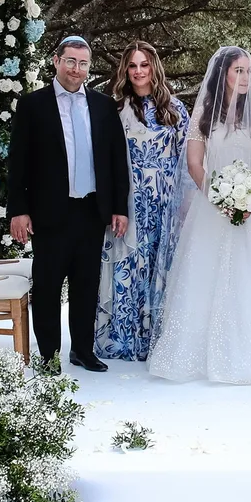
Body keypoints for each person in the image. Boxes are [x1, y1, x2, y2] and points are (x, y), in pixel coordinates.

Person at [147, 47, 251, 384]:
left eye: (248, 71)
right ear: (224, 74)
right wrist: (217, 197)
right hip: (211, 207)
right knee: (205, 274)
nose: (245, 78)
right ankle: (198, 352)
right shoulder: (203, 112)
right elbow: (194, 163)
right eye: (238, 71)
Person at [5, 36, 131, 376]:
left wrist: (119, 207)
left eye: (83, 63)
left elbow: (117, 161)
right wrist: (18, 209)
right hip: (49, 212)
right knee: (46, 286)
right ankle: (48, 354)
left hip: (92, 210)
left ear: (89, 68)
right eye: (70, 61)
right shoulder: (33, 105)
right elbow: (18, 163)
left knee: (86, 285)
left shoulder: (104, 106)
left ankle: (83, 351)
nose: (77, 69)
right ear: (56, 61)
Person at [94, 41, 190, 362]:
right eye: (132, 66)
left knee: (163, 267)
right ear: (125, 70)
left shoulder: (176, 110)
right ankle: (126, 337)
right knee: (130, 267)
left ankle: (161, 339)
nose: (138, 72)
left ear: (154, 68)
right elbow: (105, 162)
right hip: (130, 202)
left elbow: (187, 161)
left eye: (144, 65)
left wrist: (184, 204)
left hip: (166, 200)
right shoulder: (115, 110)